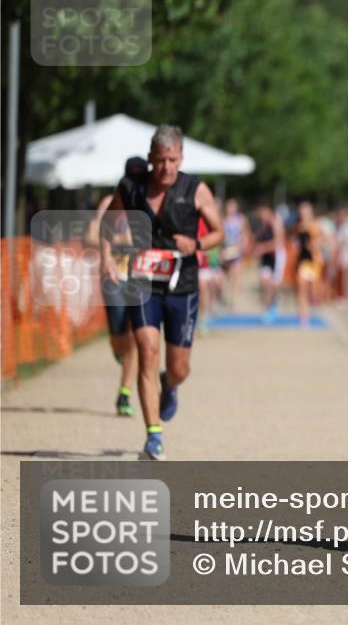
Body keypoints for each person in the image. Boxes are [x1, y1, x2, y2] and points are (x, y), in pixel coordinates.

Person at [100, 125, 223, 460]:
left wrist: (196, 244)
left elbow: (218, 233)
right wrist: (108, 258)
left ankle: (170, 385)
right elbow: (109, 224)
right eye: (161, 160)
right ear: (151, 157)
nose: (167, 166)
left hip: (182, 287)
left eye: (173, 160)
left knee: (179, 368)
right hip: (142, 283)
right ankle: (153, 435)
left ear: (181, 158)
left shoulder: (196, 189)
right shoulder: (131, 187)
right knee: (147, 351)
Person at [84, 156, 147, 417]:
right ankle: (118, 351)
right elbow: (89, 237)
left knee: (136, 336)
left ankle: (124, 393)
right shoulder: (109, 204)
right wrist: (122, 241)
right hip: (113, 276)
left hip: (140, 277)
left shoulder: (149, 203)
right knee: (119, 339)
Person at [253, 203, 286, 322]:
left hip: (277, 256)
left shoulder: (276, 222)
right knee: (264, 282)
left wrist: (263, 248)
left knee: (274, 284)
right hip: (266, 257)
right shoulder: (263, 225)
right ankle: (267, 309)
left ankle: (274, 303)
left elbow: (278, 242)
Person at [294, 201, 323, 327]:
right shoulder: (299, 226)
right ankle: (303, 316)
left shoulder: (316, 225)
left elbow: (323, 239)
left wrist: (317, 245)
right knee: (302, 288)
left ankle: (312, 302)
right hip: (303, 260)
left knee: (313, 290)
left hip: (314, 260)